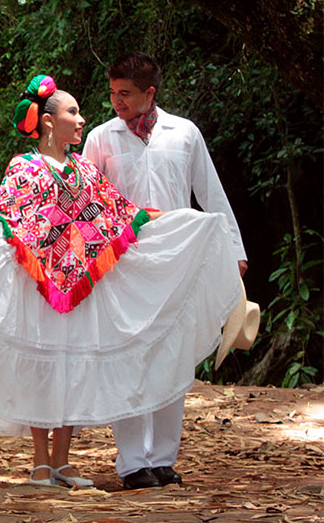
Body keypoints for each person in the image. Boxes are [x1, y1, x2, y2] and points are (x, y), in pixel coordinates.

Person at [0, 74, 241, 488]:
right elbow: (8, 218)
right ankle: (40, 460)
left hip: (79, 290)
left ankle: (62, 460)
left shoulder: (83, 171)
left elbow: (120, 216)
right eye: (73, 112)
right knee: (41, 369)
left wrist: (182, 224)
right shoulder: (25, 167)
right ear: (50, 121)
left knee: (73, 368)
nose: (81, 119)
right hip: (37, 287)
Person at [83, 52, 248, 489]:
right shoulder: (101, 137)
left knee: (172, 357)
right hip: (123, 264)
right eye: (113, 92)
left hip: (178, 262)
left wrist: (234, 250)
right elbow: (86, 204)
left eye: (126, 94)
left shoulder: (184, 133)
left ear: (149, 93)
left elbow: (210, 193)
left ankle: (164, 458)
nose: (116, 101)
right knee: (128, 358)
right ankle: (133, 462)